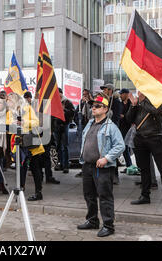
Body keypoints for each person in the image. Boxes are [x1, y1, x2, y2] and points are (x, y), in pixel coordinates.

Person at [77, 95, 125, 237]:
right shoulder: (90, 123)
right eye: (93, 106)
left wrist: (107, 158)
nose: (93, 108)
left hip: (102, 168)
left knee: (105, 196)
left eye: (97, 106)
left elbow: (120, 145)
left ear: (105, 109)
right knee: (89, 195)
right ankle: (92, 220)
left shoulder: (110, 127)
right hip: (87, 165)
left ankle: (108, 226)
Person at [126, 92, 162, 211]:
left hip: (155, 137)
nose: (140, 92)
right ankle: (145, 195)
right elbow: (129, 119)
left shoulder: (158, 99)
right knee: (144, 169)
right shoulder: (138, 102)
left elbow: (156, 111)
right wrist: (133, 106)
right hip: (140, 138)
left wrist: (143, 101)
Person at [53, 89, 75, 174]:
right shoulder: (55, 102)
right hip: (56, 126)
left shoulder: (67, 102)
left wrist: (64, 110)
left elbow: (72, 113)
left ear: (61, 94)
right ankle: (60, 164)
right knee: (58, 146)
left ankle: (66, 165)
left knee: (65, 146)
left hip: (65, 125)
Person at [119, 88, 133, 173]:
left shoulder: (131, 104)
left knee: (131, 148)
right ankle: (129, 165)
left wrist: (125, 116)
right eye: (120, 94)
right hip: (122, 128)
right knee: (124, 148)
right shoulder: (119, 104)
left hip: (130, 128)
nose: (120, 95)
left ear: (127, 94)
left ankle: (132, 166)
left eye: (122, 94)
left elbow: (132, 116)